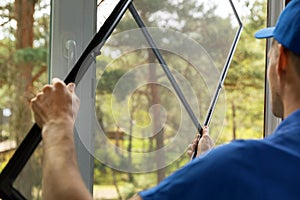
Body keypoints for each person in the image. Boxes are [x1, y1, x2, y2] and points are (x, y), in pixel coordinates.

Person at [31, 0, 300, 199]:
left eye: (271, 51)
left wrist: (57, 124)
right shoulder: (248, 169)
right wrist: (207, 164)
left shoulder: (244, 167)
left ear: (282, 62)